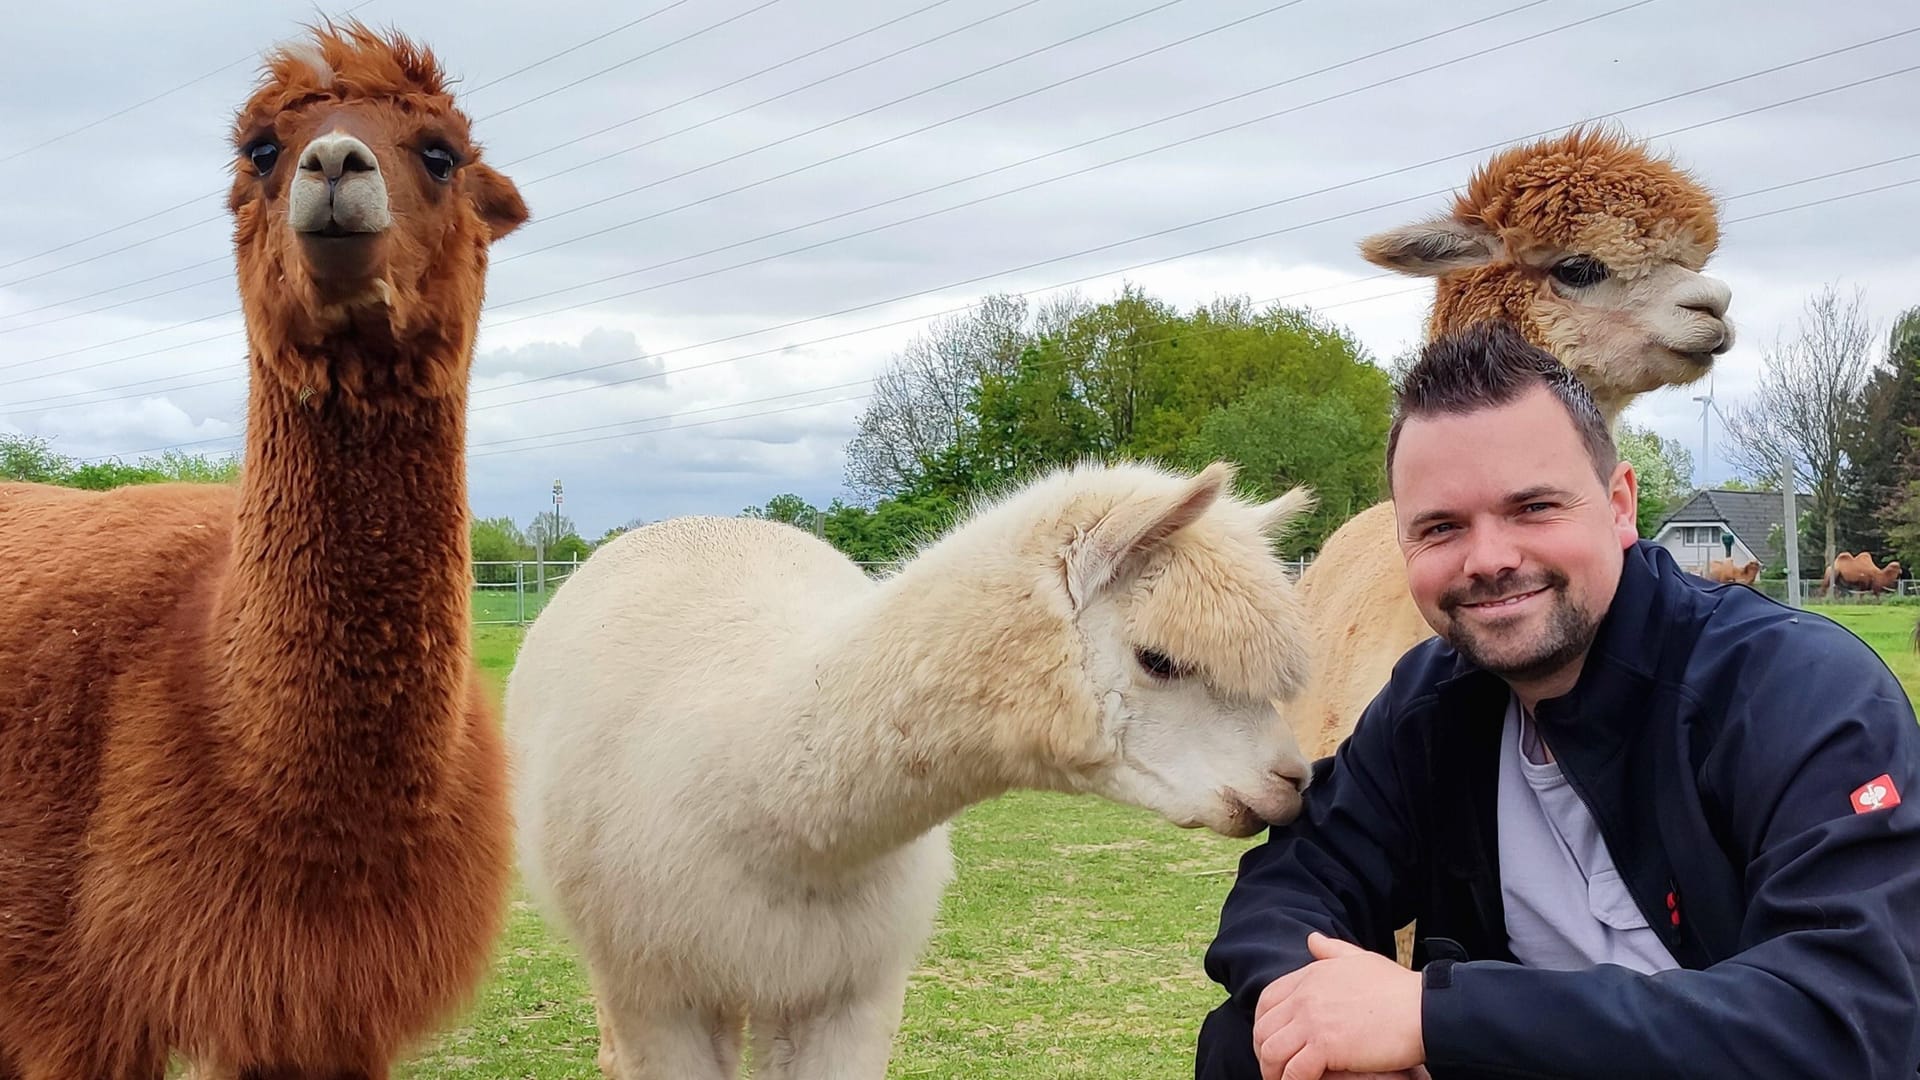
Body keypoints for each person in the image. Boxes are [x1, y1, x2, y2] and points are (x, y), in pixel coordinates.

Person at [1195, 320, 1920, 1079]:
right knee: (1252, 1044)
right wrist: (1311, 1005)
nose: (1490, 559)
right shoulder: (1432, 705)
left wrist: (1431, 1016)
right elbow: (1291, 883)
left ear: (1619, 504)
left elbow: (1844, 1024)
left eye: (1534, 508)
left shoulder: (1798, 694)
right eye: (1441, 527)